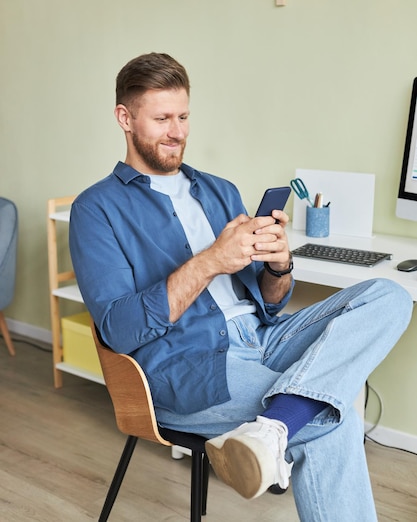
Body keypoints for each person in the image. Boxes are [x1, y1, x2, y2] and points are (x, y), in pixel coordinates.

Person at [69, 52, 412, 521]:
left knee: (389, 295)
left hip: (264, 340)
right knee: (332, 417)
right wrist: (209, 262)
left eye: (184, 116)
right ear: (124, 119)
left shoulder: (219, 190)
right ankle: (285, 421)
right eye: (162, 118)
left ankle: (272, 428)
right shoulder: (96, 209)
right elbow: (120, 330)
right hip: (188, 367)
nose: (178, 131)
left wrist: (279, 265)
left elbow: (268, 305)